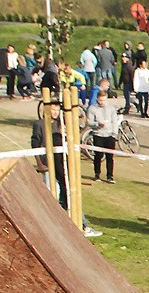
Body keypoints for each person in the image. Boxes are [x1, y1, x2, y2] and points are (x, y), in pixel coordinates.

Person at [31, 102, 102, 237]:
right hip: (48, 166)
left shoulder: (61, 124)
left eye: (57, 110)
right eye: (53, 109)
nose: (55, 112)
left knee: (68, 195)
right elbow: (35, 145)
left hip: (63, 166)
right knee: (52, 196)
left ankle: (81, 225)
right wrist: (40, 164)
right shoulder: (40, 125)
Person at [87, 90, 118, 183]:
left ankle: (110, 176)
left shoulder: (111, 108)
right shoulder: (92, 108)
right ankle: (97, 174)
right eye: (100, 100)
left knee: (110, 157)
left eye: (104, 100)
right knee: (98, 156)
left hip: (109, 135)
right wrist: (98, 124)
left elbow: (114, 121)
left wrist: (114, 134)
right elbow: (89, 122)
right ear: (97, 99)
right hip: (98, 134)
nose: (102, 102)